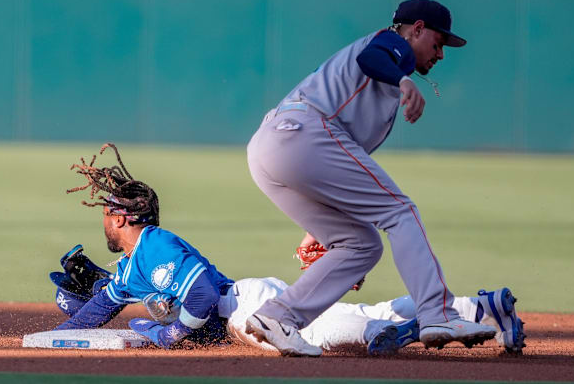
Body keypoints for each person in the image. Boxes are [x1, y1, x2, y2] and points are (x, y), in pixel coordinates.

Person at [49, 144, 525, 356]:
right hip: (244, 306)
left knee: (328, 337)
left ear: (123, 218)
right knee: (357, 312)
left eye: (107, 213)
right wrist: (59, 332)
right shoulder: (134, 264)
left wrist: (172, 335)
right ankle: (480, 307)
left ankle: (406, 328)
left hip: (247, 305)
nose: (103, 220)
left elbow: (198, 301)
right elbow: (96, 312)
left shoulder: (156, 245)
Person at [244, 0, 497, 356]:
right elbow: (373, 57)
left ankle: (279, 317)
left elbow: (339, 168)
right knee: (400, 211)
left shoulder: (378, 84)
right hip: (304, 132)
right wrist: (405, 79)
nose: (440, 55)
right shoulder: (392, 44)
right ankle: (438, 314)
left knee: (359, 244)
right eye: (438, 44)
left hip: (271, 148)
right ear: (418, 29)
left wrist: (317, 226)